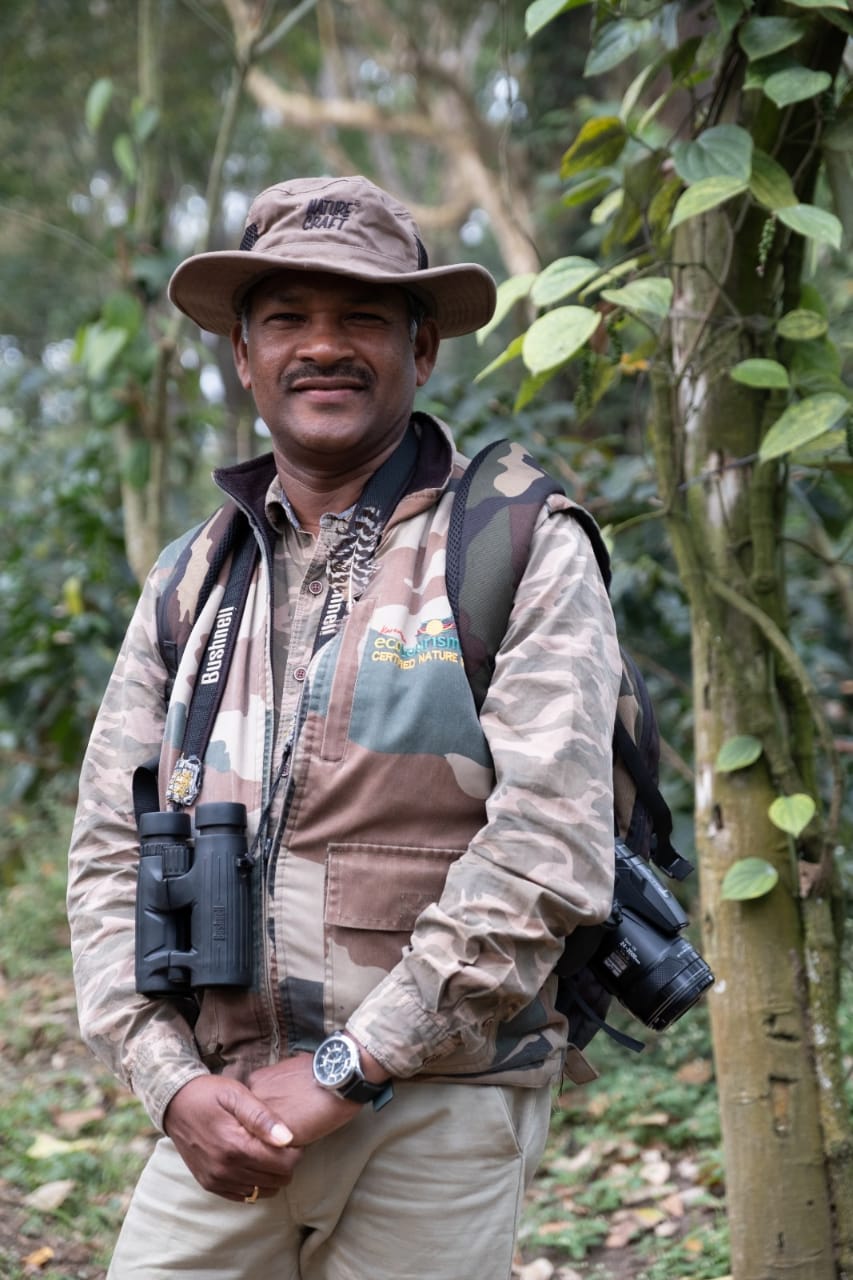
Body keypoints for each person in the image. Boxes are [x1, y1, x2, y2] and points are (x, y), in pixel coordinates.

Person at [67, 174, 622, 1280]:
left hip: (439, 1101)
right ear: (243, 354)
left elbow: (549, 845)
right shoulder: (191, 579)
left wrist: (349, 1063)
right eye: (287, 318)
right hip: (224, 1101)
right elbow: (106, 850)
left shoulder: (514, 543)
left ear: (421, 352)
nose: (322, 345)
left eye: (362, 316)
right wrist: (165, 1077)